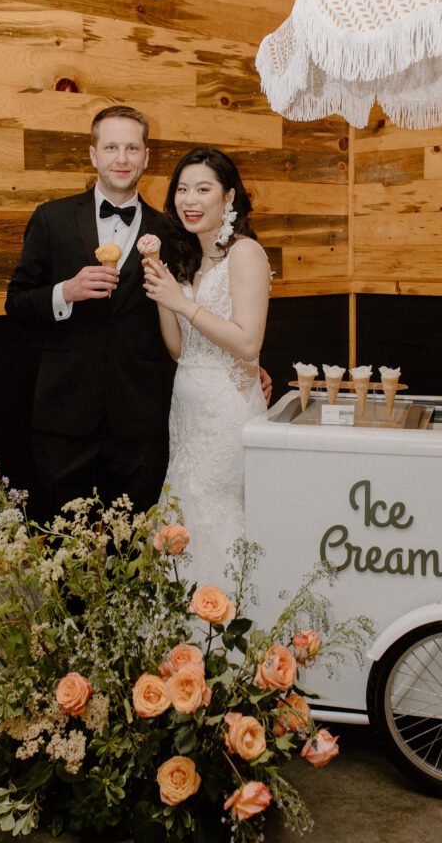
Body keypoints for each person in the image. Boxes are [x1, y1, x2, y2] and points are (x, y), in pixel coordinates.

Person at [5, 105, 174, 517]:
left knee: (134, 549)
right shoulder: (52, 218)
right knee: (62, 549)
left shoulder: (169, 230)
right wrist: (66, 291)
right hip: (64, 416)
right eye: (111, 147)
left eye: (132, 148)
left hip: (141, 417)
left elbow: (192, 311)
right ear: (93, 154)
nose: (122, 158)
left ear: (146, 157)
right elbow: (17, 303)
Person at [143, 147, 271, 586]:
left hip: (228, 416)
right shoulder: (190, 260)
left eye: (203, 188)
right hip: (187, 414)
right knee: (184, 511)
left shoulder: (245, 253)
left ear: (228, 196)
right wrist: (164, 295)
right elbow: (181, 350)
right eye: (181, 189)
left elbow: (249, 342)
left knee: (220, 517)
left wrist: (181, 301)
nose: (190, 200)